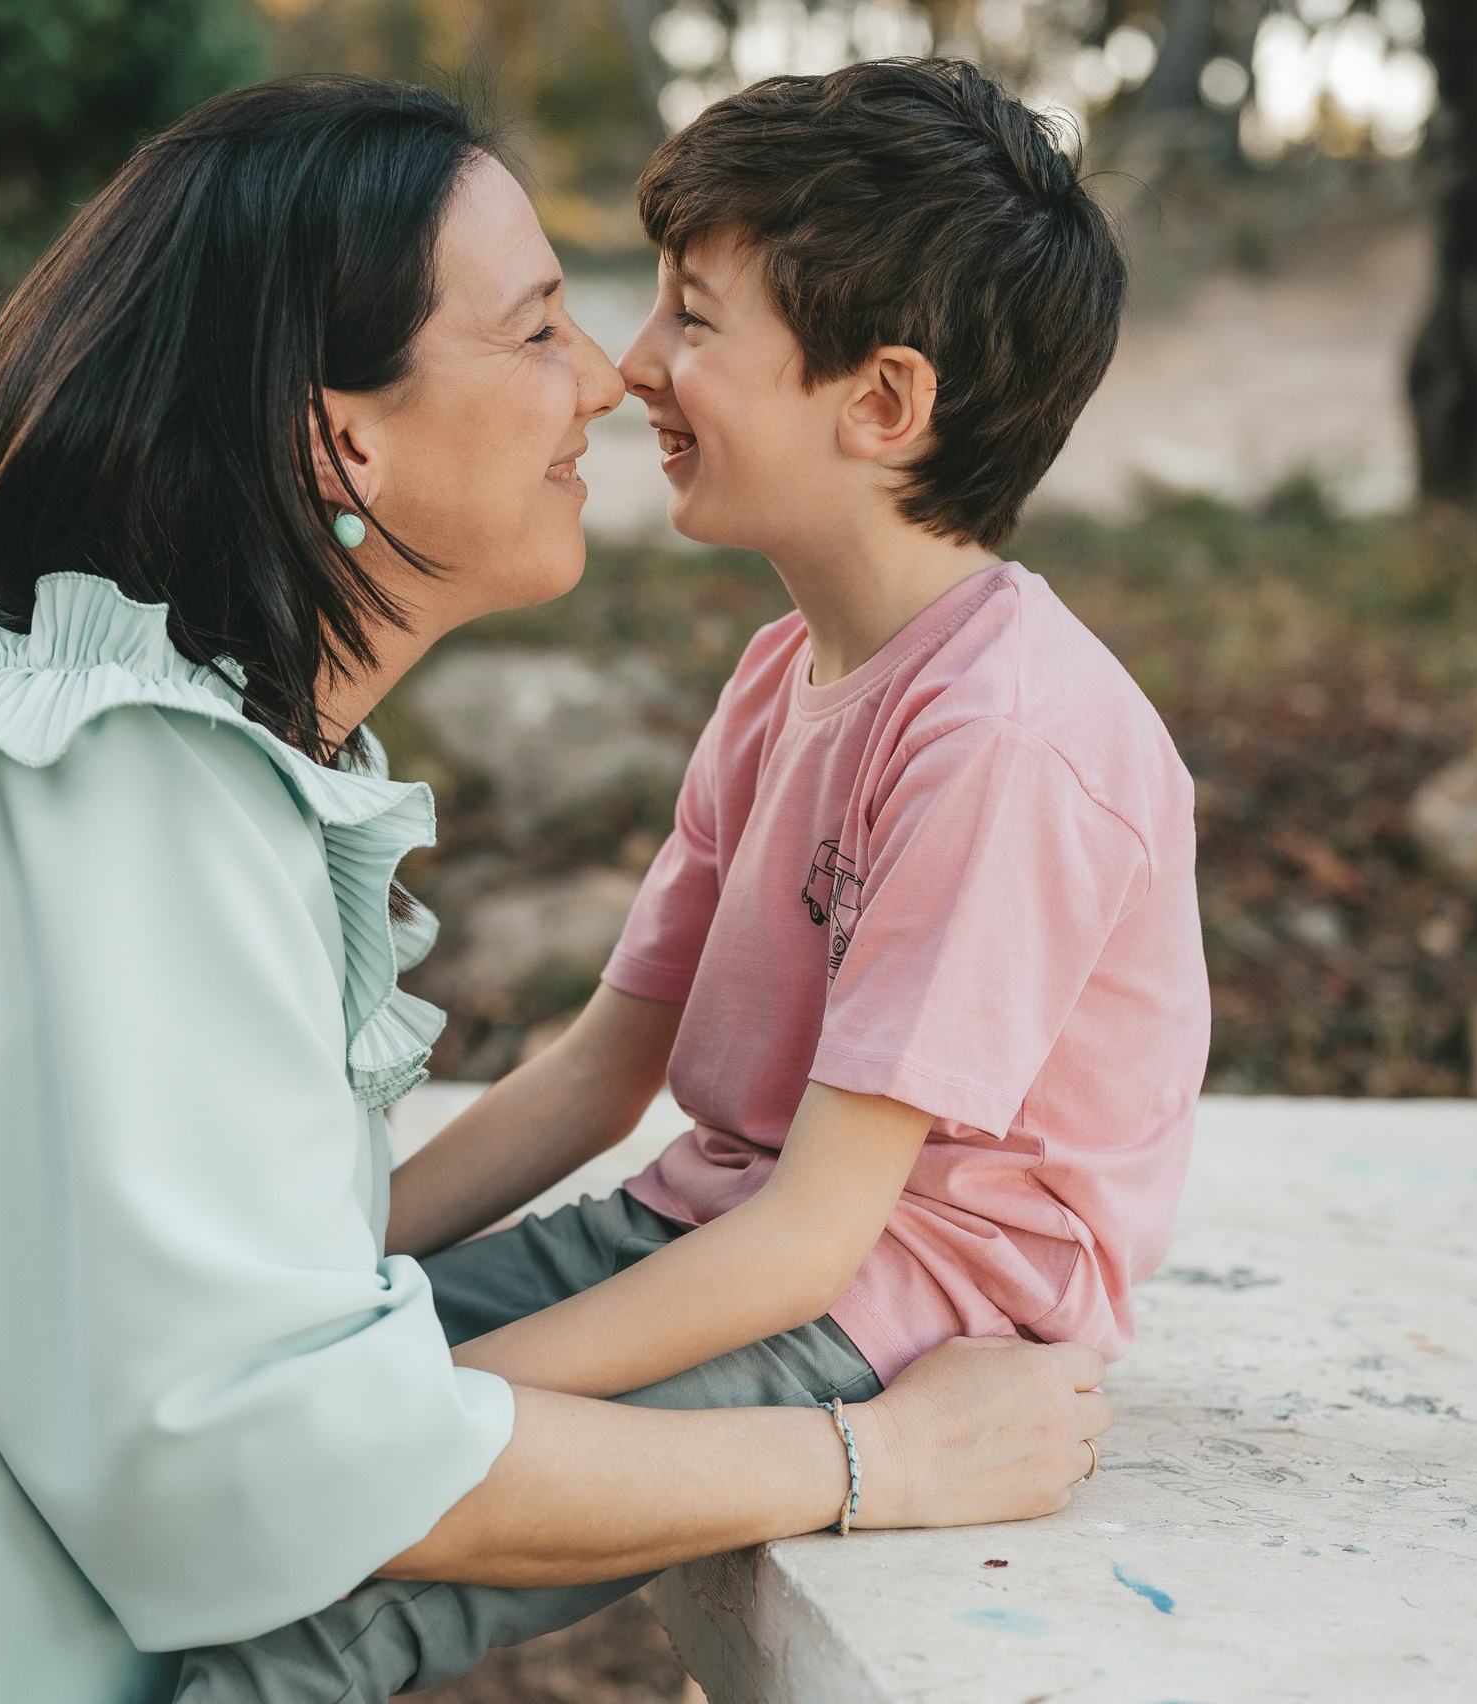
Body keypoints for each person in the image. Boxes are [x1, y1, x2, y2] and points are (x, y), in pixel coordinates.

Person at [0, 74, 1111, 1704]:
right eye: (541, 322)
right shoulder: (116, 804)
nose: (608, 373)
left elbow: (246, 1316)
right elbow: (275, 1452)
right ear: (344, 439)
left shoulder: (122, 753)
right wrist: (877, 1470)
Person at [169, 55, 1208, 1704]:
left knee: (338, 1567)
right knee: (250, 1398)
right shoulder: (786, 670)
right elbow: (599, 1071)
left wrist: (430, 1415)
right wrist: (335, 1274)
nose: (629, 366)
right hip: (703, 1231)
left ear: (882, 405)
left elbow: (820, 1235)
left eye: (696, 321)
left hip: (894, 1310)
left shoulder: (1009, 738)